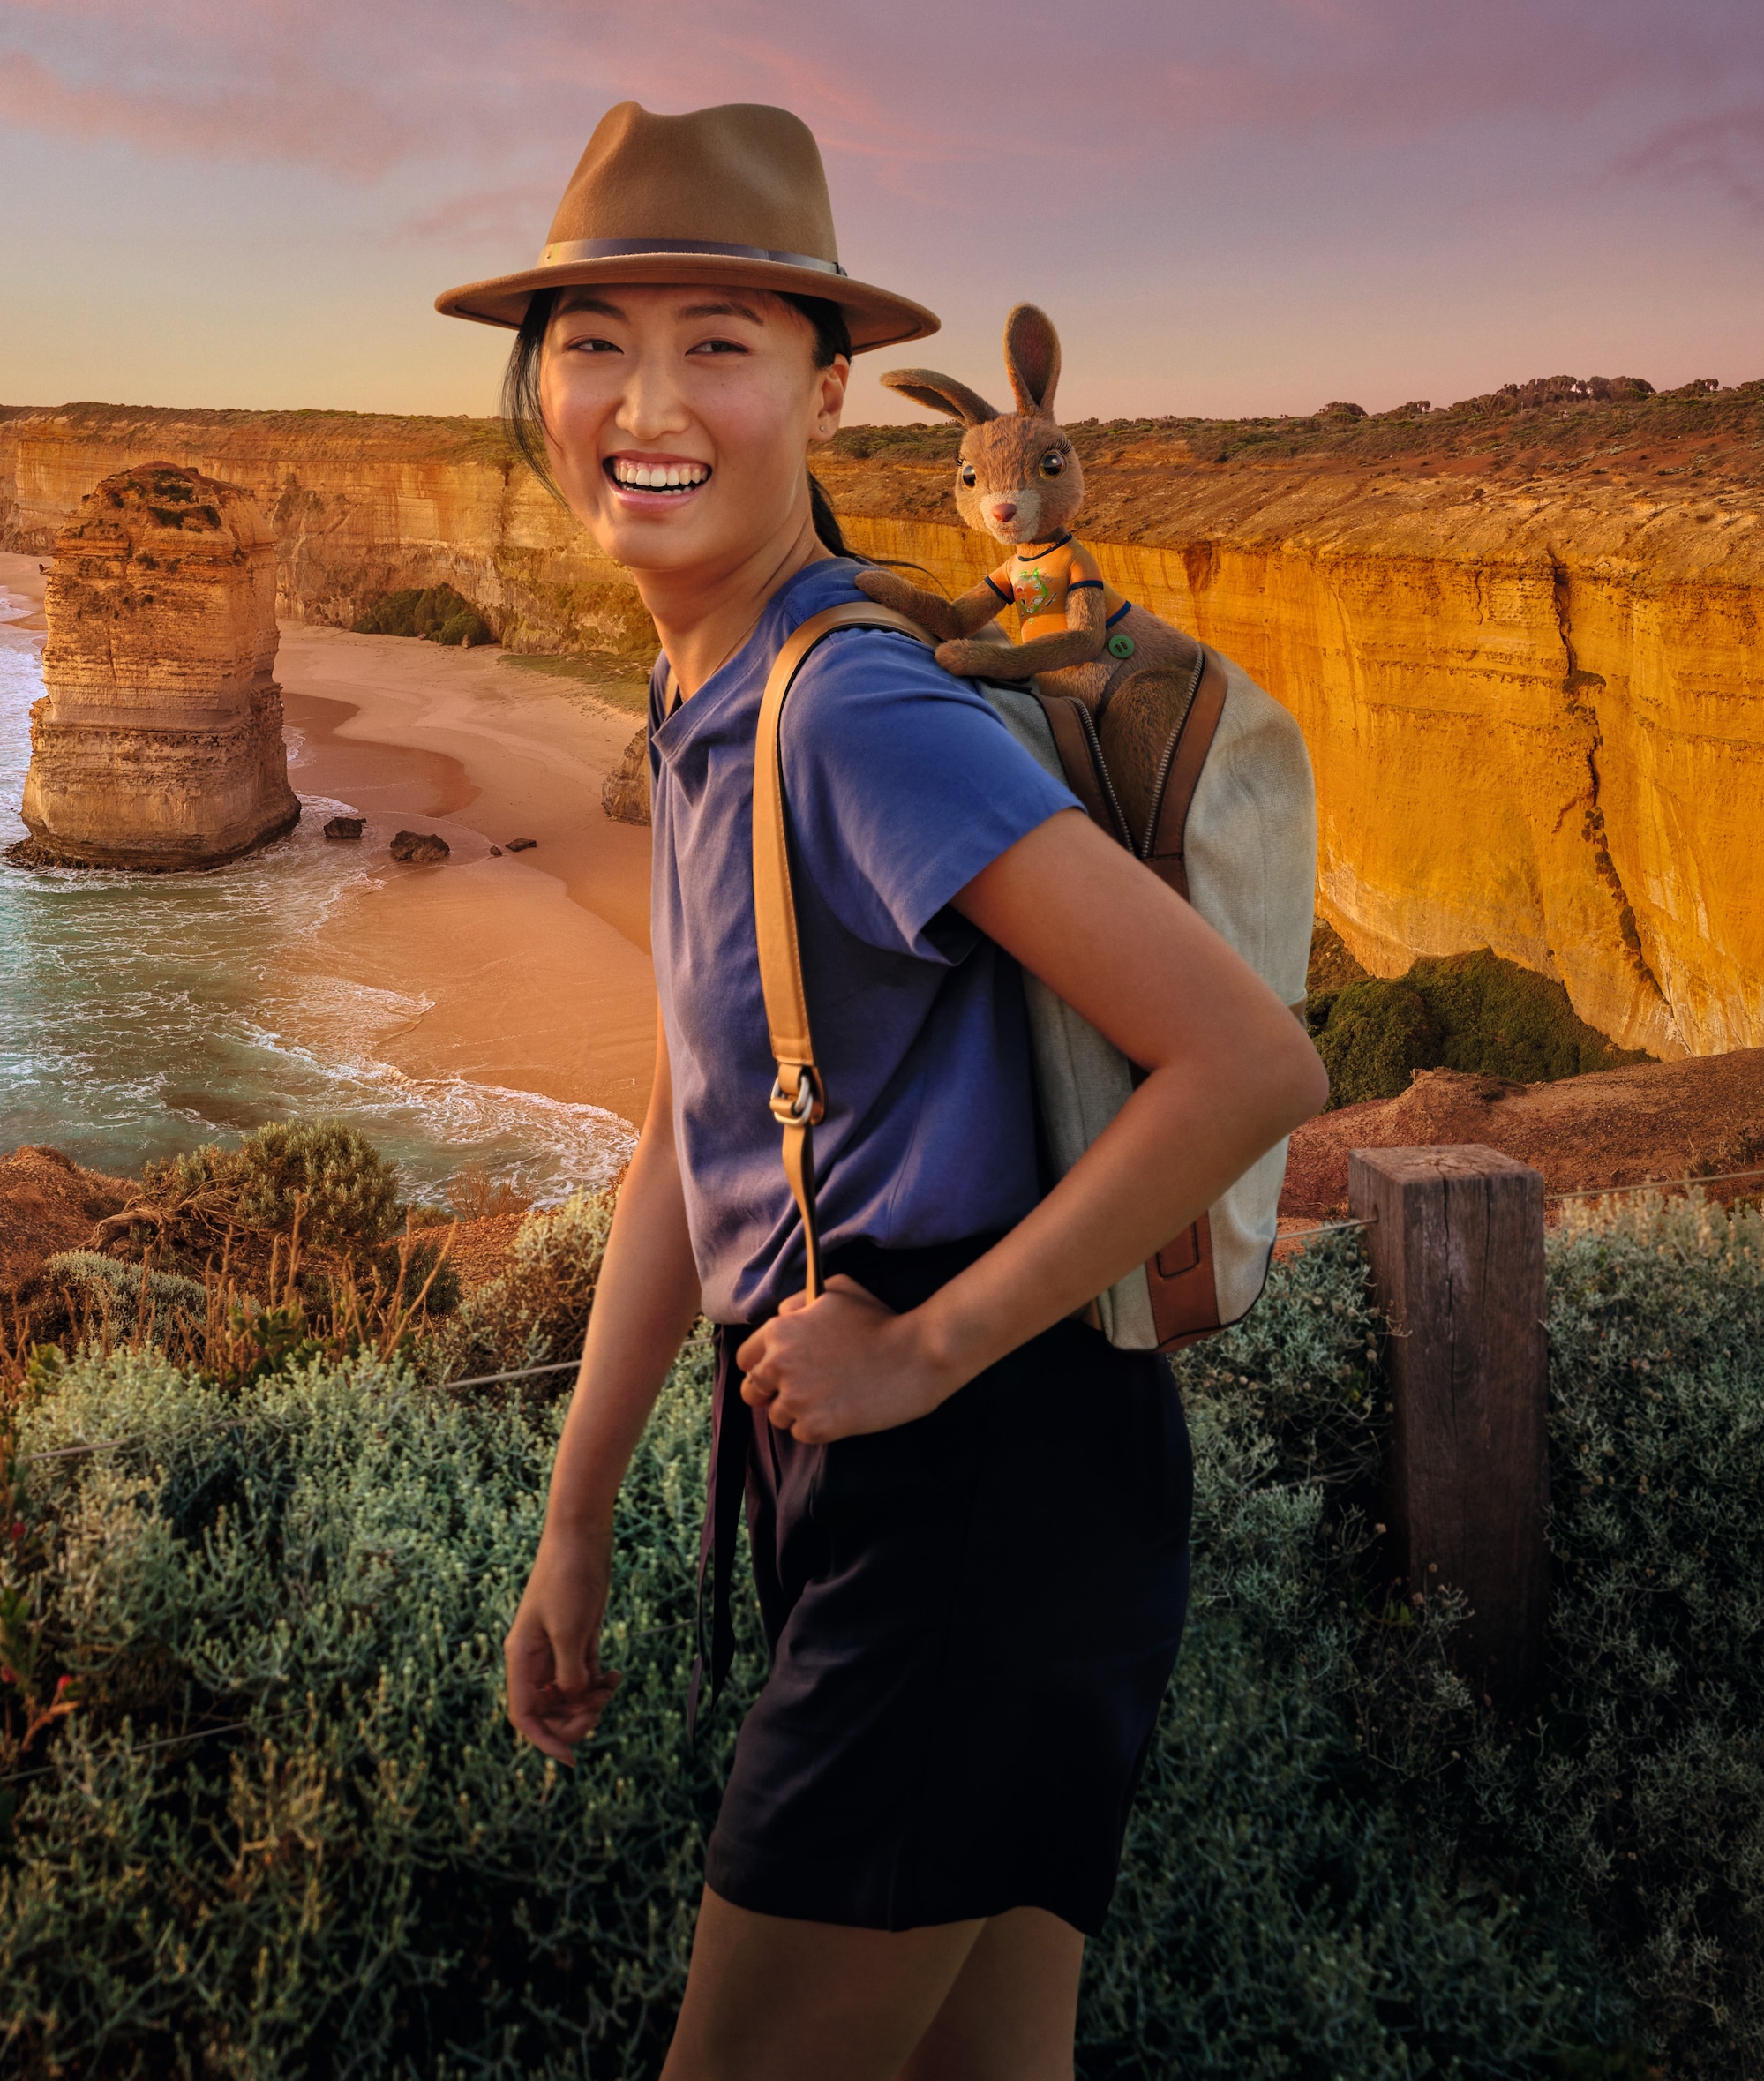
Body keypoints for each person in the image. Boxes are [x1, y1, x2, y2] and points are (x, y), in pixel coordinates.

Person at [446, 102, 1325, 2081]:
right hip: (955, 1495)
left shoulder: (846, 706)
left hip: (970, 1489)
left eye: (718, 344)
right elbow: (701, 1123)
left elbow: (1250, 1059)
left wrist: (927, 1349)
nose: (640, 398)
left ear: (827, 391)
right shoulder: (704, 692)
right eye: (591, 340)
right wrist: (574, 1515)